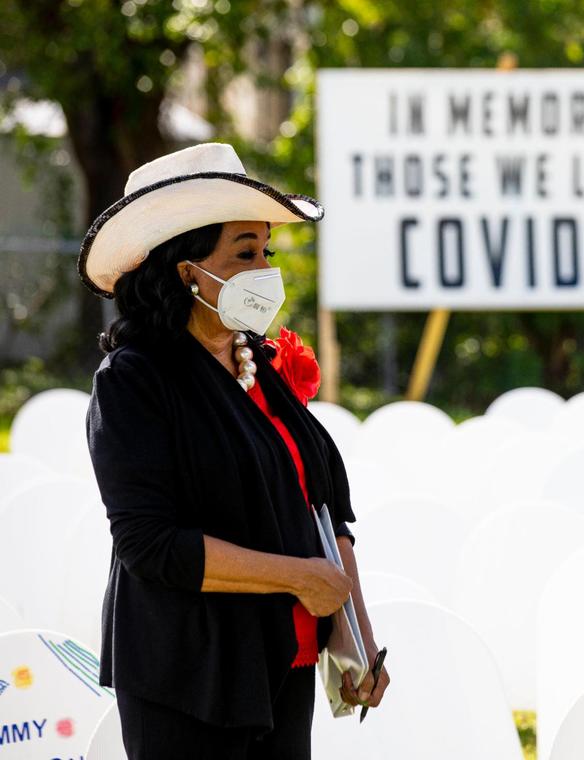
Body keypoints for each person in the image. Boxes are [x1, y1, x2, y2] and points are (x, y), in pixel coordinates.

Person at [81, 143, 389, 759]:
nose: (264, 270)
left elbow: (327, 515)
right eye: (244, 253)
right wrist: (298, 579)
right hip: (191, 675)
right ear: (185, 269)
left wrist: (354, 634)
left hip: (287, 664)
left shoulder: (264, 366)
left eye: (265, 252)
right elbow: (150, 545)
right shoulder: (135, 381)